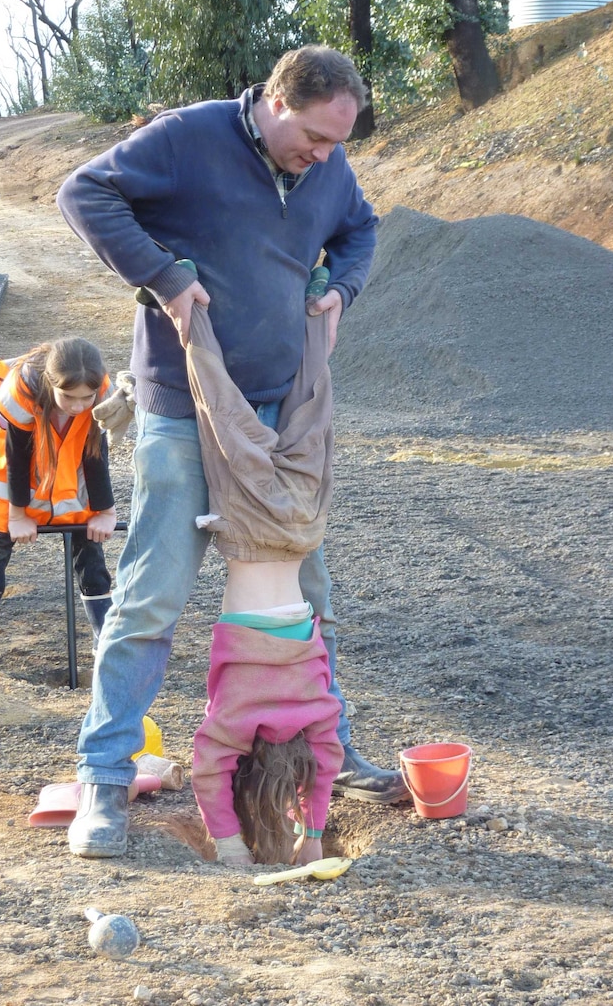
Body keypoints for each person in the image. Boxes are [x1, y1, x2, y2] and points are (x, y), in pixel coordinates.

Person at [57, 44, 409, 860]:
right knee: (152, 594)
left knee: (307, 586)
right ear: (280, 101)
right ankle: (103, 781)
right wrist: (162, 278)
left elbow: (361, 229)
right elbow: (85, 192)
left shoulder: (329, 167)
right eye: (317, 139)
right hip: (183, 407)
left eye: (337, 145)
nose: (325, 158)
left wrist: (340, 289)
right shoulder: (189, 139)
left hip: (281, 410)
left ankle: (336, 748)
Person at [187, 294, 343, 868]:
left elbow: (326, 762)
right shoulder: (235, 724)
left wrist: (315, 832)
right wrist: (232, 848)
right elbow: (207, 770)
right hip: (250, 532)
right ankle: (188, 307)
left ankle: (315, 300)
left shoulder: (318, 713)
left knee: (314, 396)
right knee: (217, 403)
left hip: (303, 525)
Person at [0, 338, 119, 673]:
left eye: (86, 398)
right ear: (51, 385)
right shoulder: (20, 392)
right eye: (68, 397)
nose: (78, 406)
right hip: (12, 468)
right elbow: (17, 458)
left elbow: (96, 455)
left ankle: (105, 635)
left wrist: (105, 512)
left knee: (89, 547)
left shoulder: (103, 394)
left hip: (67, 468)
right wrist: (18, 515)